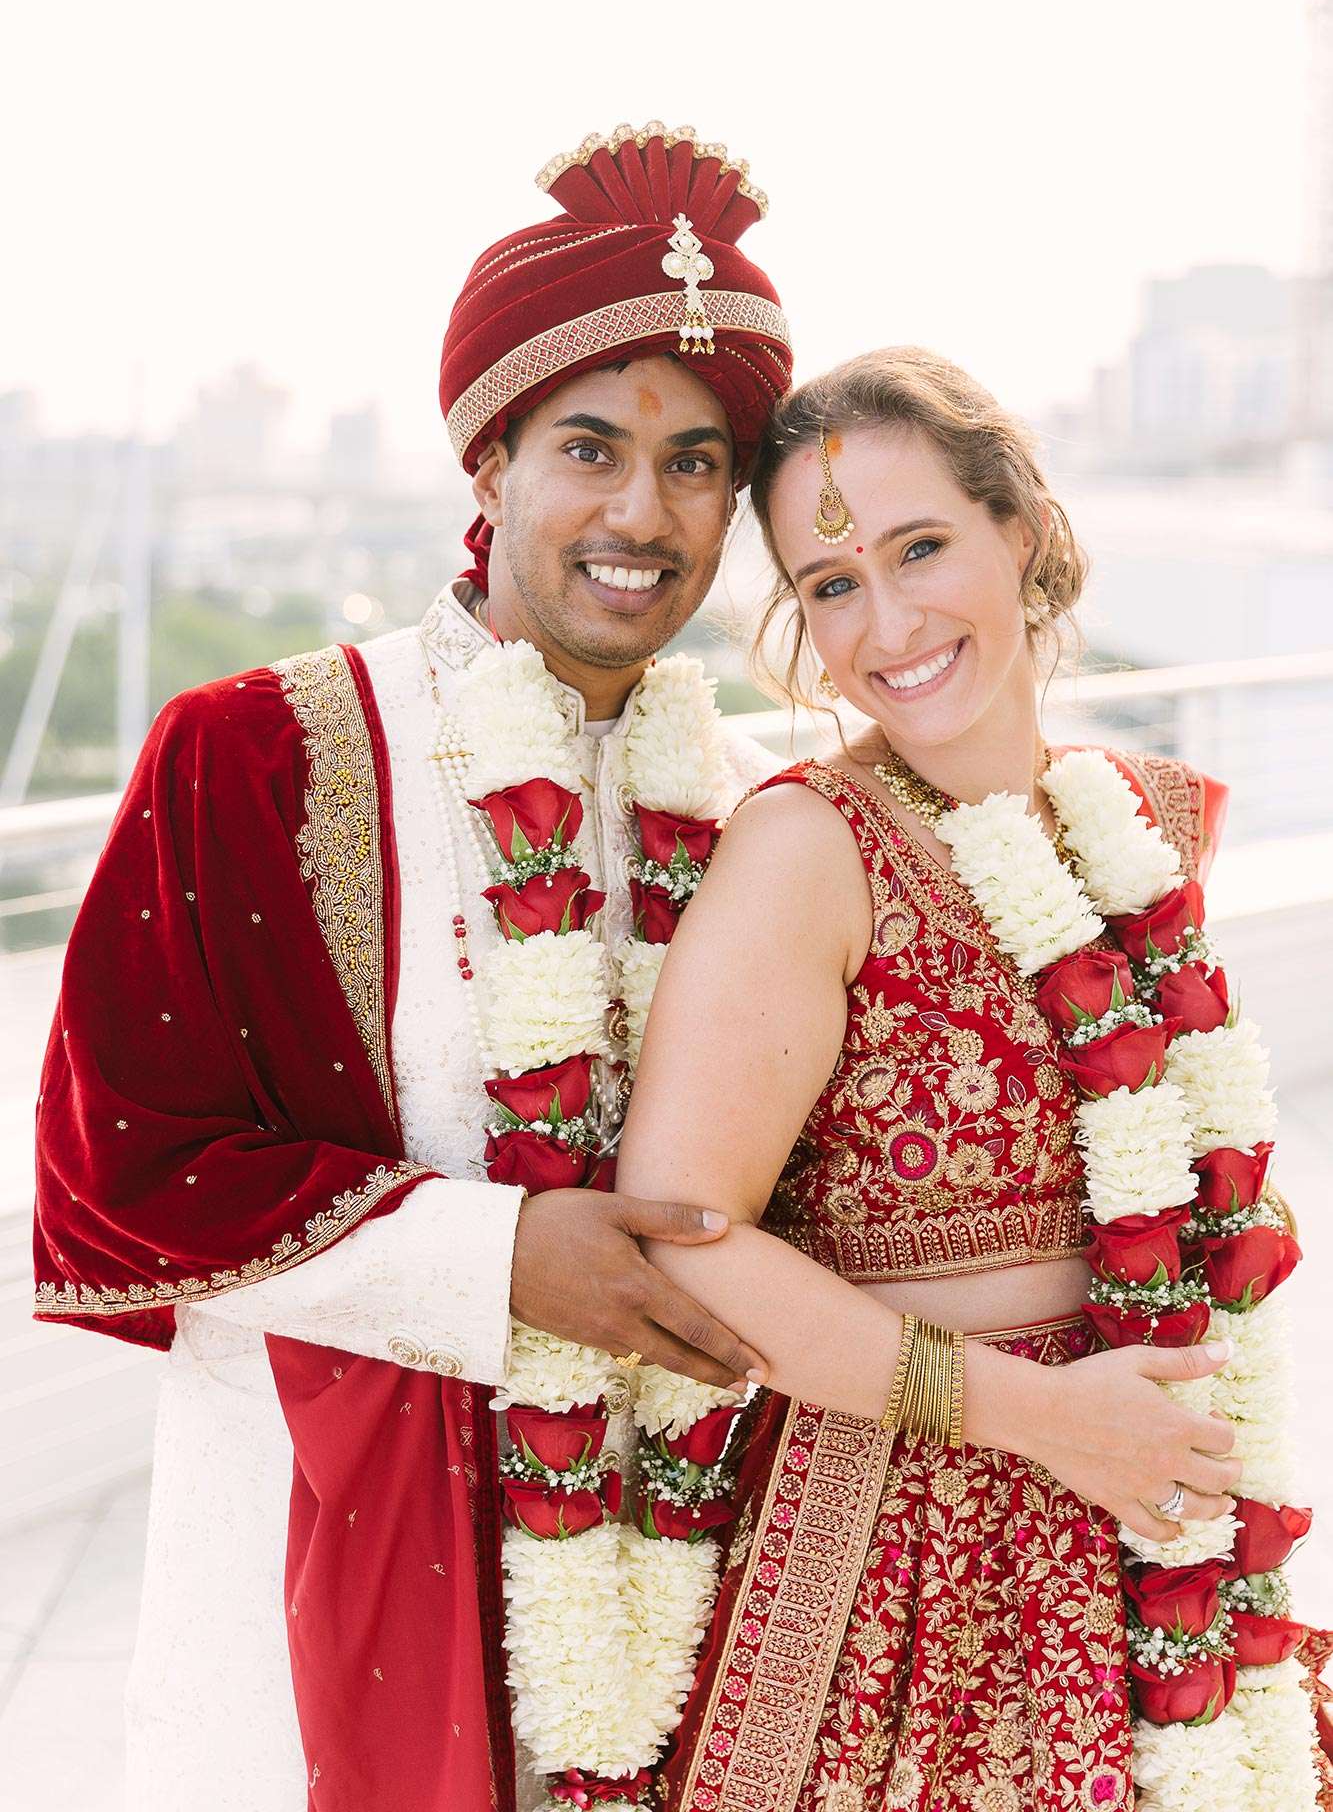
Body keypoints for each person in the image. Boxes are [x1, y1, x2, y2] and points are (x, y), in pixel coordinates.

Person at [31, 123, 792, 1812]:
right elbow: (114, 1182)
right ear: (489, 463)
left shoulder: (755, 808)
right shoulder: (265, 753)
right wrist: (500, 1255)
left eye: (694, 466)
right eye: (588, 446)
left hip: (692, 1562)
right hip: (329, 1539)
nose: (638, 513)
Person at [616, 347, 1326, 1810]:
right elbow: (679, 1234)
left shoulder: (1137, 821)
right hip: (901, 1565)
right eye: (828, 585)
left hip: (1149, 1539)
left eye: (919, 547)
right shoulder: (807, 848)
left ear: (1024, 531)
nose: (885, 623)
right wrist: (1043, 1418)